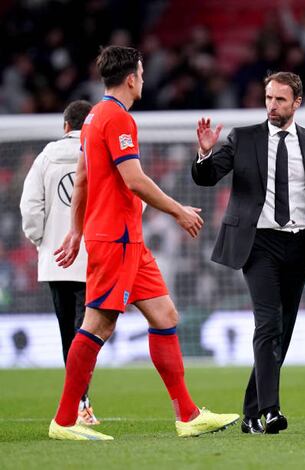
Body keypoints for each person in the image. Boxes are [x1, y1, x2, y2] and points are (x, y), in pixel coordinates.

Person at [48, 46, 239, 441]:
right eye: (141, 72)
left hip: (127, 239)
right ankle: (65, 421)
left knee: (165, 316)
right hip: (115, 238)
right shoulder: (117, 119)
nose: (144, 79)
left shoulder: (92, 118)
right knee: (98, 323)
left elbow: (82, 178)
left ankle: (187, 415)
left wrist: (75, 230)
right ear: (131, 78)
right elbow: (133, 179)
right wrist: (178, 211)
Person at [192, 71, 305, 434]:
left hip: (301, 242)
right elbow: (208, 177)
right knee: (268, 323)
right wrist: (205, 152)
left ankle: (250, 413)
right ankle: (270, 411)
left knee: (284, 332)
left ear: (297, 103)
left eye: (280, 100)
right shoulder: (243, 138)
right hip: (259, 244)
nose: (272, 106)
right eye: (268, 98)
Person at [20, 100, 101, 425]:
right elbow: (132, 199)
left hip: (56, 259)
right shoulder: (101, 150)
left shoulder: (44, 158)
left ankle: (79, 404)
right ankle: (82, 404)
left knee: (69, 334)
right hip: (94, 256)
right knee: (90, 333)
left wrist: (42, 241)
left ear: (66, 126)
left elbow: (30, 207)